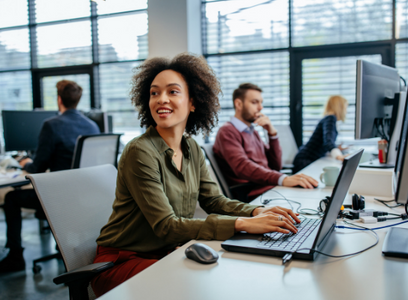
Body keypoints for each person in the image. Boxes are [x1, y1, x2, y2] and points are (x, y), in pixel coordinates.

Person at [90, 53, 301, 297]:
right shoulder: (140, 151)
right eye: (154, 93)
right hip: (122, 262)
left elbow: (214, 201)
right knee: (198, 286)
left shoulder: (191, 148)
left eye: (173, 91)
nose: (161, 99)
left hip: (165, 253)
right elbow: (166, 226)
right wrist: (243, 224)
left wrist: (257, 212)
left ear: (193, 102)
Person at [0, 80, 100, 273]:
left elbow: (37, 167)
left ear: (59, 99)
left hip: (59, 197)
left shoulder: (51, 125)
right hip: (86, 194)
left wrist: (23, 162)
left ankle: (15, 258)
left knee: (12, 198)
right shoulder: (92, 126)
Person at [213, 83, 318, 202]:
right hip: (254, 193)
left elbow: (275, 166)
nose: (260, 108)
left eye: (261, 102)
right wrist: (282, 179)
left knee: (312, 193)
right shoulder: (227, 131)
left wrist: (272, 135)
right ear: (238, 104)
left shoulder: (252, 132)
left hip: (268, 188)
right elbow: (242, 166)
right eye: (254, 102)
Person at [292, 95, 348, 173]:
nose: (346, 110)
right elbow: (328, 141)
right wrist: (339, 156)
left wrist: (337, 149)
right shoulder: (330, 118)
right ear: (340, 107)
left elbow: (324, 142)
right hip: (305, 161)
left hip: (308, 158)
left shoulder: (328, 118)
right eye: (345, 107)